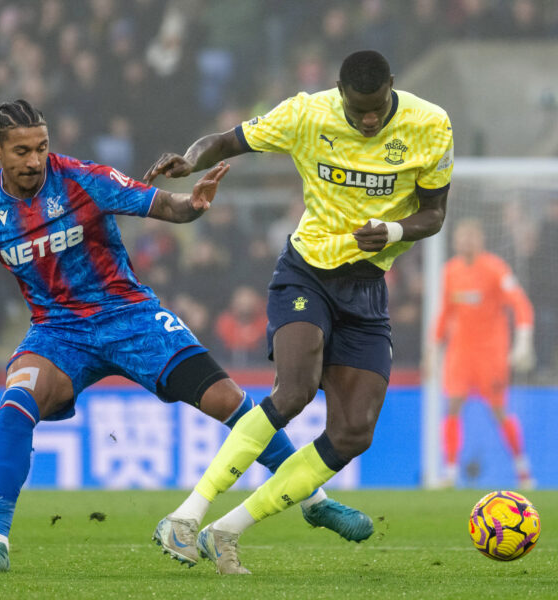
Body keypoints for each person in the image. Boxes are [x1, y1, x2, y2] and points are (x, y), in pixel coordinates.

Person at [0, 99, 365, 573]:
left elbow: (165, 205)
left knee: (228, 398)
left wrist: (192, 204)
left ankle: (312, 499)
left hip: (130, 316)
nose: (34, 160)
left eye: (42, 148)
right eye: (22, 151)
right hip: (57, 332)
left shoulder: (81, 178)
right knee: (16, 401)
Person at [144, 50, 454, 574]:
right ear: (339, 92)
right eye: (359, 112)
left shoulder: (430, 124)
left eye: (378, 108)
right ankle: (185, 515)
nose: (370, 120)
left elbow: (435, 212)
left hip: (367, 286)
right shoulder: (308, 113)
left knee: (355, 431)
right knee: (294, 391)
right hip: (307, 271)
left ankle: (227, 530)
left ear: (392, 88)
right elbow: (225, 140)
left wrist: (395, 232)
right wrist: (191, 159)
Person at [427, 218, 535, 489]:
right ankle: (450, 472)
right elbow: (444, 313)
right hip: (460, 353)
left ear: (481, 239)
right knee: (452, 406)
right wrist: (432, 350)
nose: (465, 241)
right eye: (461, 236)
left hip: (491, 353)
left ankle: (522, 470)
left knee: (499, 409)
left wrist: (523, 341)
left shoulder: (496, 268)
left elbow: (521, 304)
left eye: (471, 236)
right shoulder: (450, 271)